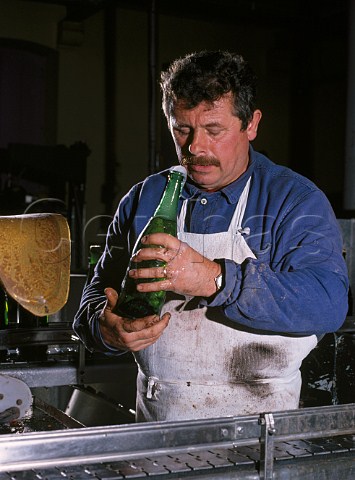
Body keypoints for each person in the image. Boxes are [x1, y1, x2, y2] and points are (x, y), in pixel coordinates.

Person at [73, 50, 349, 422]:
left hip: (261, 436)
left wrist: (216, 279)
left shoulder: (295, 201)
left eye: (214, 130)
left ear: (251, 125)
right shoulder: (145, 198)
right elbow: (96, 294)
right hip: (156, 434)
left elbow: (328, 303)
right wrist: (105, 328)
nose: (195, 148)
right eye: (181, 129)